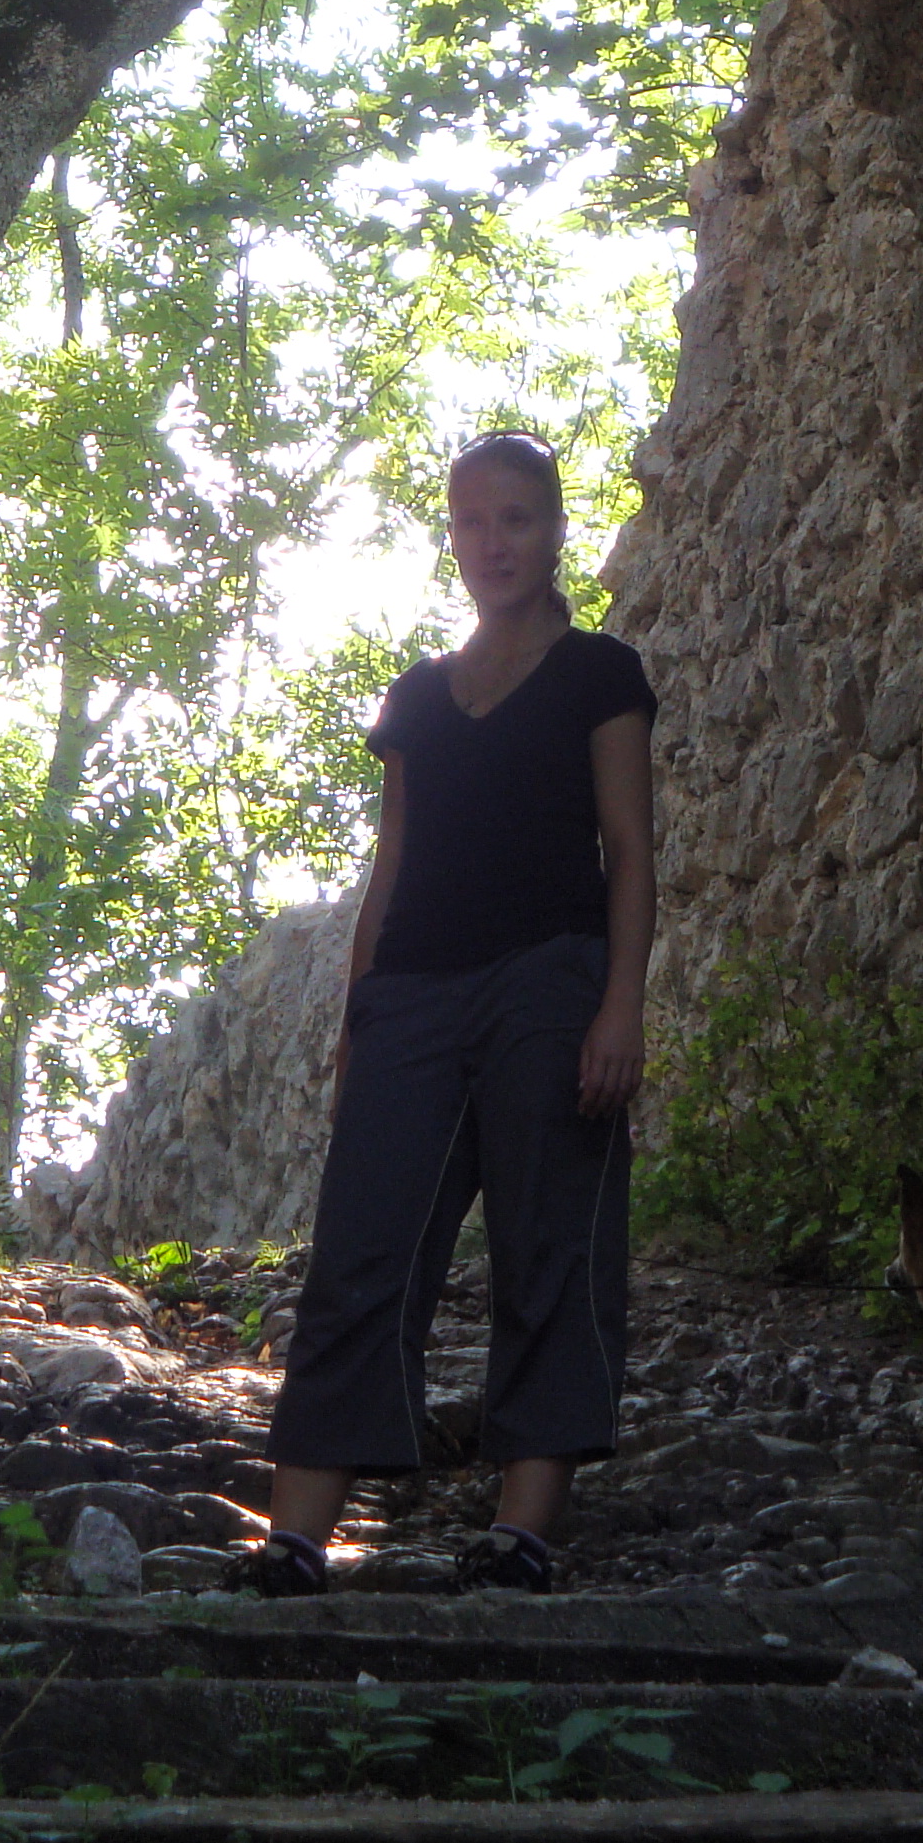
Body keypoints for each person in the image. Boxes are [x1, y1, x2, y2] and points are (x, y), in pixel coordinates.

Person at [231, 429, 657, 1598]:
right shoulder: (418, 695)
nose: (493, 541)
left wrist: (621, 1004)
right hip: (413, 994)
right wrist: (356, 1020)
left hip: (551, 982)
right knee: (362, 1250)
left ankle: (523, 1532)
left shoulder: (602, 673)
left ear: (554, 528)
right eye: (472, 520)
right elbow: (394, 866)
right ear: (453, 536)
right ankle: (297, 1540)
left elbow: (630, 851)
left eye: (516, 518)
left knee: (549, 1243)